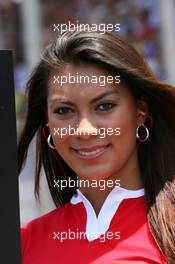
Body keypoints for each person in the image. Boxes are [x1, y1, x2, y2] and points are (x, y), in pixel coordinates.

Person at [18, 29, 175, 264]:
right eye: (64, 111)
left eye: (105, 106)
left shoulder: (169, 227)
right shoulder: (23, 242)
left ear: (140, 112)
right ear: (48, 124)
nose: (84, 130)